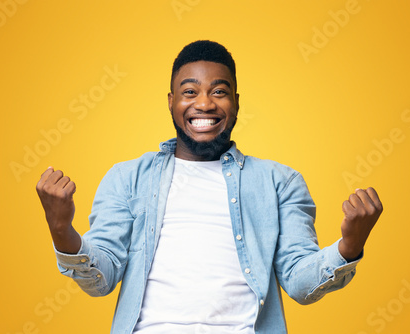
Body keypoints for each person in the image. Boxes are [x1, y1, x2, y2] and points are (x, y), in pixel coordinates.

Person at [36, 40, 383, 334]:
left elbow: (298, 282)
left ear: (235, 103)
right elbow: (102, 279)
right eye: (190, 92)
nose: (204, 103)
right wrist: (61, 229)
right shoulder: (127, 178)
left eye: (219, 91)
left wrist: (349, 245)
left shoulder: (281, 182)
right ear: (171, 101)